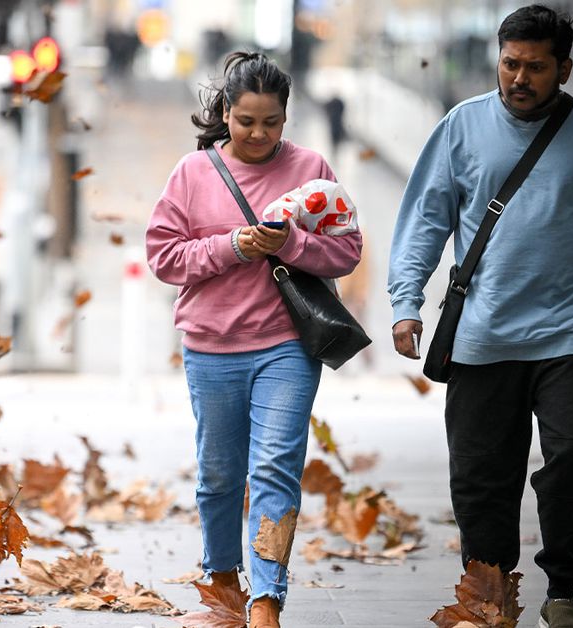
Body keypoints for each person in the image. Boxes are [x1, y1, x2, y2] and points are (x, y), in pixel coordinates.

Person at [386, 6, 573, 628]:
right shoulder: (462, 127)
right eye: (511, 63)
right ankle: (489, 593)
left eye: (536, 67)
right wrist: (407, 302)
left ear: (563, 69)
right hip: (482, 335)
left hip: (569, 334)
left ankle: (560, 588)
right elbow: (425, 220)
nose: (520, 77)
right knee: (481, 475)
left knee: (570, 458)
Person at [146, 51, 362, 628]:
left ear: (287, 118)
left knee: (275, 468)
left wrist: (291, 245)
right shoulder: (192, 175)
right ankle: (221, 576)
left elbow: (347, 250)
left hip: (287, 346)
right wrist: (232, 247)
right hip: (211, 346)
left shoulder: (311, 167)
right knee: (219, 472)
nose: (259, 134)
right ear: (225, 113)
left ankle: (267, 595)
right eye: (246, 121)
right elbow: (163, 258)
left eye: (271, 122)